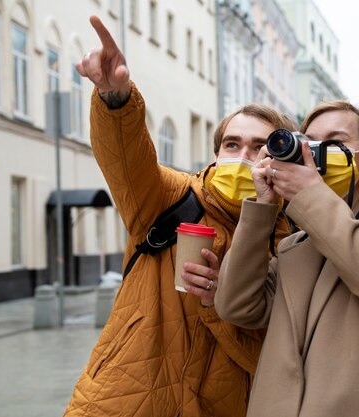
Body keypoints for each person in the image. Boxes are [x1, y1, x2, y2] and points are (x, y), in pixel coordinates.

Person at [63, 16, 296, 417]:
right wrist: (115, 99)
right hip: (130, 402)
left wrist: (224, 299)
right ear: (216, 152)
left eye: (260, 147)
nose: (242, 157)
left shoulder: (290, 239)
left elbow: (276, 360)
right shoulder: (172, 195)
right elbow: (126, 157)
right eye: (232, 143)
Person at [215, 101, 359, 417]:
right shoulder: (299, 243)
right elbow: (236, 306)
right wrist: (262, 208)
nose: (317, 152)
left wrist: (310, 195)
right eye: (308, 142)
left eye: (335, 143)